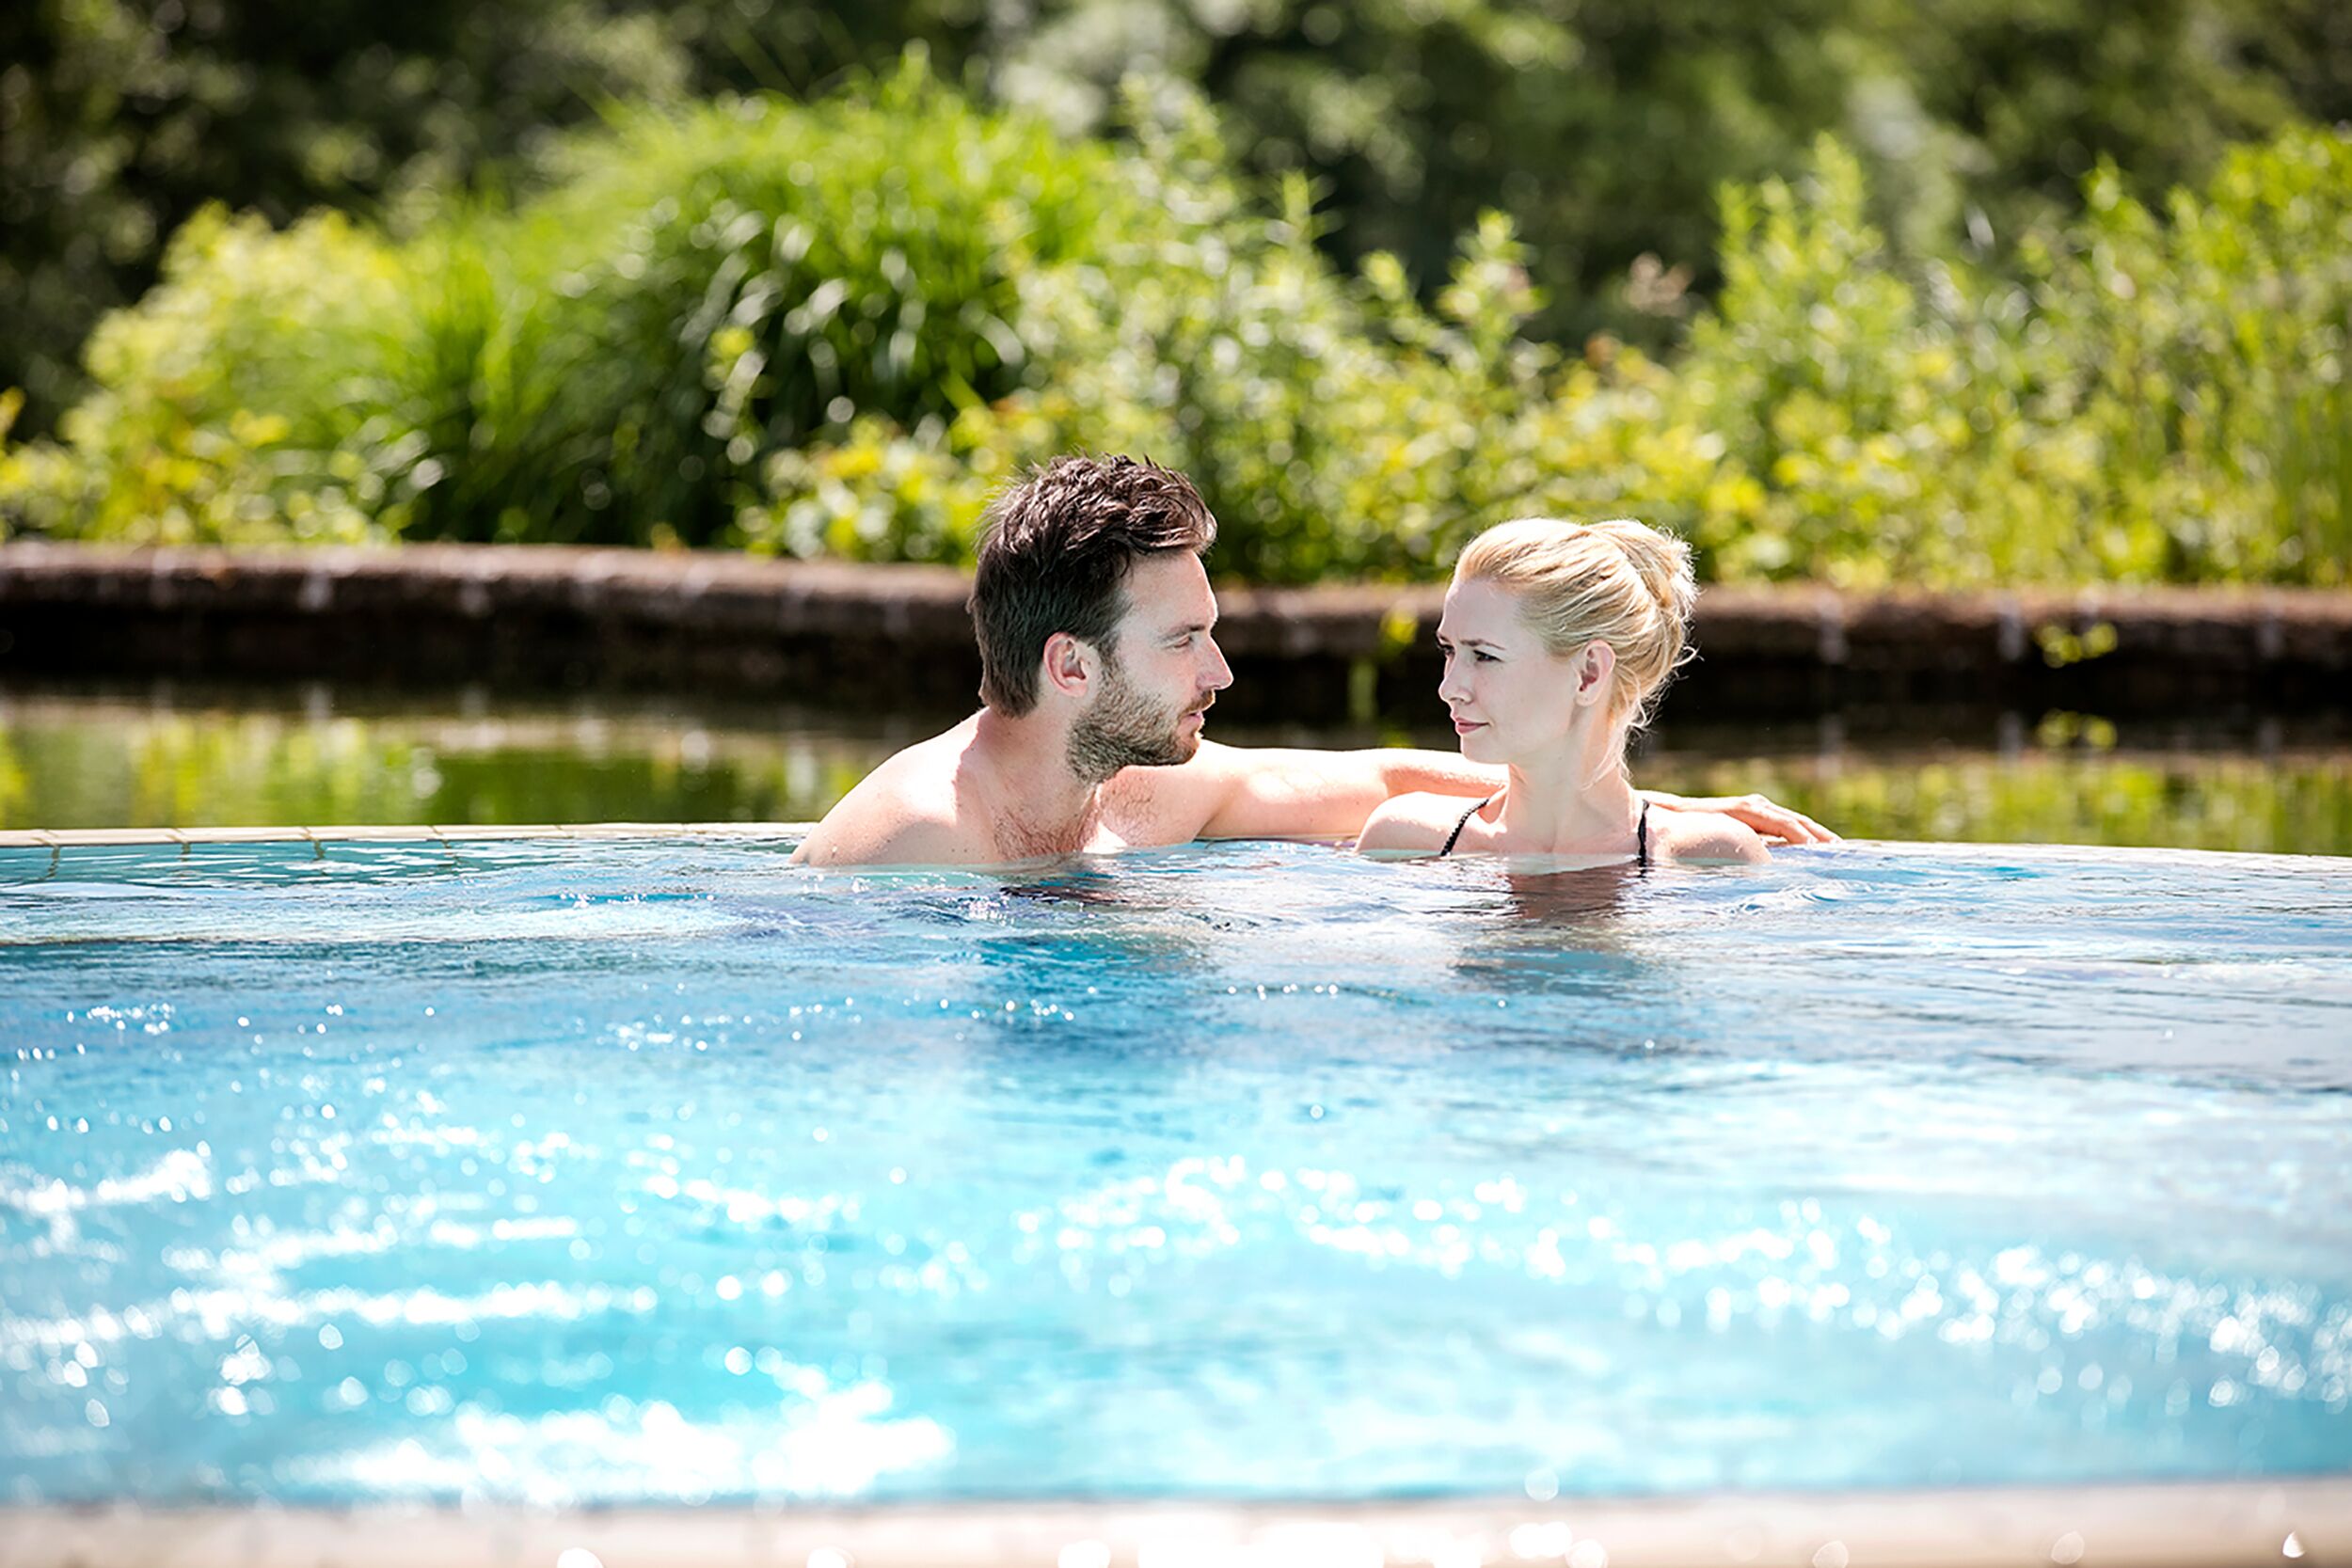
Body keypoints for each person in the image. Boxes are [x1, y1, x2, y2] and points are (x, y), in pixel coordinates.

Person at [792, 456, 1828, 867]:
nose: (1222, 672)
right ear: (1070, 667)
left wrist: (1668, 807)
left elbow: (1387, 776)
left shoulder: (1141, 790)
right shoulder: (921, 834)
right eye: (1185, 638)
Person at [1356, 515, 1764, 865]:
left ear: (1588, 673)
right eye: (1449, 650)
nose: (1449, 688)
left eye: (1483, 656)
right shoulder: (1407, 843)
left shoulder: (1710, 858)